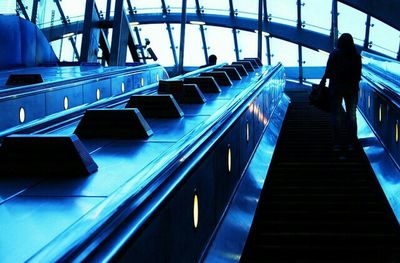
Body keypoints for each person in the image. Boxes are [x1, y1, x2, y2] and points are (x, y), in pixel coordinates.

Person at [320, 33, 362, 151]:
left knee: (335, 114)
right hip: (352, 89)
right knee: (351, 115)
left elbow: (328, 71)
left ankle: (337, 143)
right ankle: (351, 143)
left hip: (336, 88)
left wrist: (325, 81)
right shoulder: (356, 56)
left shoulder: (334, 54)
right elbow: (358, 76)